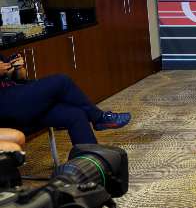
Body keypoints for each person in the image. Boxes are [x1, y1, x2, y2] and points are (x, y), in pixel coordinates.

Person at [0, 54, 130, 146]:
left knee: (74, 114)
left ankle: (88, 164)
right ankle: (100, 118)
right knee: (62, 80)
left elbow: (19, 79)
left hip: (19, 104)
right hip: (6, 109)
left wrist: (17, 68)